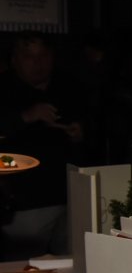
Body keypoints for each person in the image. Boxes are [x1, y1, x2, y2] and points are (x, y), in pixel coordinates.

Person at [0, 32, 89, 260]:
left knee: (71, 267)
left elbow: (97, 126)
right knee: (21, 269)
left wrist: (80, 132)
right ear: (14, 59)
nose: (37, 63)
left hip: (69, 198)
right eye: (29, 56)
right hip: (24, 204)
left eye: (43, 56)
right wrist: (26, 116)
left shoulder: (69, 86)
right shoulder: (5, 89)